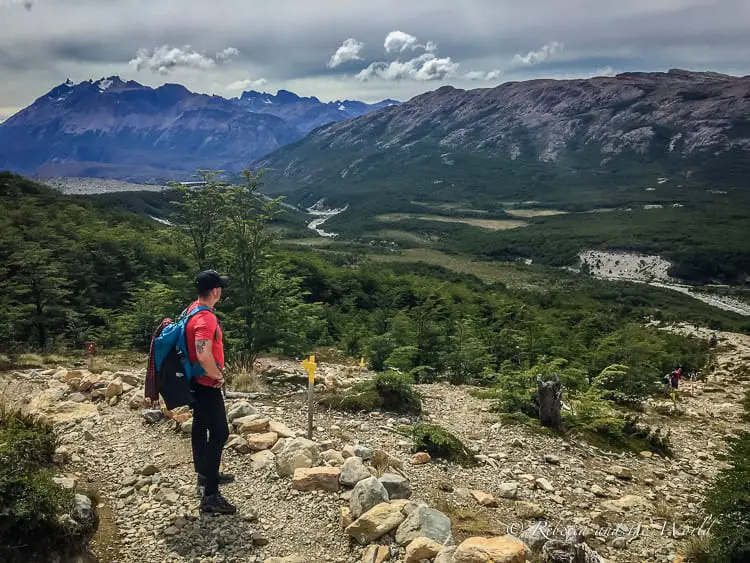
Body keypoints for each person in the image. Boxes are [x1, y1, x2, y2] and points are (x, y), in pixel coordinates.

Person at [187, 270, 236, 514]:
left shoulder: (192, 309)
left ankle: (206, 475)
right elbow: (201, 352)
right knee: (220, 433)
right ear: (215, 291)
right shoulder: (207, 319)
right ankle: (211, 494)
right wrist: (217, 375)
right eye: (221, 287)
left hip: (195, 382)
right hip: (207, 385)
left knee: (201, 427)